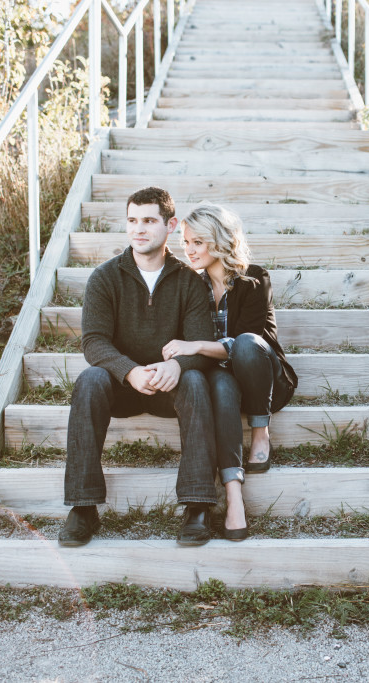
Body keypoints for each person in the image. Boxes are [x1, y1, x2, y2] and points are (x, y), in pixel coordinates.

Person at [59, 187, 220, 548]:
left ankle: (197, 504)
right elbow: (94, 342)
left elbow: (200, 341)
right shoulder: (105, 277)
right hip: (121, 386)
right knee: (89, 379)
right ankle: (83, 507)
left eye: (148, 220)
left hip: (168, 386)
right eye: (132, 220)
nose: (139, 229)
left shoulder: (190, 281)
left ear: (170, 225)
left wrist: (179, 366)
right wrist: (129, 370)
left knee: (195, 380)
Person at [162, 203, 298, 541]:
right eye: (185, 241)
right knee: (220, 387)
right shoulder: (191, 286)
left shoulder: (255, 278)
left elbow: (252, 342)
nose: (188, 250)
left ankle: (260, 431)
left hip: (261, 379)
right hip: (220, 378)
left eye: (197, 242)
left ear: (219, 241)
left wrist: (194, 346)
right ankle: (234, 497)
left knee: (247, 344)